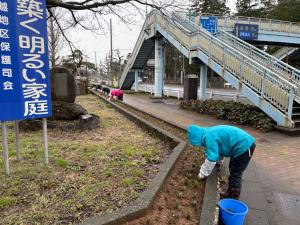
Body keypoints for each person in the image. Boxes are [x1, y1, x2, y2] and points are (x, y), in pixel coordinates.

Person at [187, 124, 256, 199]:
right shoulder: (208, 132)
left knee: (235, 172)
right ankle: (230, 191)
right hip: (244, 143)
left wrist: (202, 174)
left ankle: (233, 198)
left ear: (197, 138)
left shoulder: (208, 137)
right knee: (233, 168)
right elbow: (219, 147)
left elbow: (211, 158)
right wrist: (218, 162)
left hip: (244, 146)